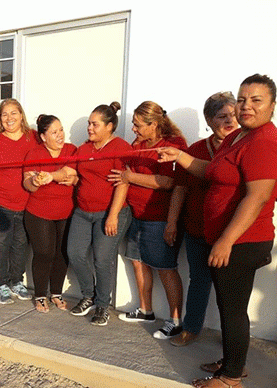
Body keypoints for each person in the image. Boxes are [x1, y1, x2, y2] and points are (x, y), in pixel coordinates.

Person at [159, 74, 277, 388]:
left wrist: (225, 240)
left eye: (256, 100)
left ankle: (230, 379)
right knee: (229, 308)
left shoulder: (264, 141)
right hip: (231, 239)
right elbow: (210, 172)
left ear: (272, 106)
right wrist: (181, 156)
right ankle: (232, 363)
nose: (246, 106)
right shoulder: (238, 138)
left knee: (233, 310)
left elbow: (258, 195)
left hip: (242, 241)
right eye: (242, 99)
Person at [108, 101, 187, 339]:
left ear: (154, 124)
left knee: (165, 269)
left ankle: (175, 321)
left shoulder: (173, 145)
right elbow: (126, 178)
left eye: (138, 125)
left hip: (160, 219)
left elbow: (168, 182)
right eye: (133, 124)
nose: (133, 129)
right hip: (137, 215)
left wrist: (129, 176)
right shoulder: (138, 145)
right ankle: (146, 310)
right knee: (137, 262)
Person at [167, 92, 238, 347]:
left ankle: (233, 341)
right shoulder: (196, 150)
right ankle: (191, 329)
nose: (230, 120)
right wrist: (172, 222)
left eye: (233, 115)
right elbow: (180, 189)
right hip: (197, 230)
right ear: (209, 120)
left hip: (230, 232)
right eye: (222, 116)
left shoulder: (244, 148)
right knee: (199, 280)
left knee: (230, 290)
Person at [67, 102, 132, 326]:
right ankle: (89, 295)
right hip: (83, 212)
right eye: (88, 124)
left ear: (109, 126)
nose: (90, 128)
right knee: (74, 253)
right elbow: (73, 171)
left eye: (95, 124)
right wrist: (54, 176)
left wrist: (113, 216)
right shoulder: (84, 148)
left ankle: (103, 304)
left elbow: (122, 184)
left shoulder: (120, 147)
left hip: (109, 212)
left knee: (102, 259)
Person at [0, 99, 37, 305]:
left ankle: (16, 282)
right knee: (0, 246)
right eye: (4, 114)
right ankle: (1, 284)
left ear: (21, 115)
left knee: (20, 246)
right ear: (0, 119)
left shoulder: (33, 138)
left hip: (25, 205)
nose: (9, 118)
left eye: (13, 113)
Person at [23, 115, 77, 313]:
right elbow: (27, 183)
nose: (60, 135)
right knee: (44, 253)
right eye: (54, 132)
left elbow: (71, 173)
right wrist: (35, 182)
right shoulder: (34, 154)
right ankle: (40, 295)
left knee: (62, 253)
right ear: (43, 137)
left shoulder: (72, 150)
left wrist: (54, 177)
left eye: (61, 130)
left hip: (66, 212)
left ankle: (56, 292)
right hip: (39, 212)